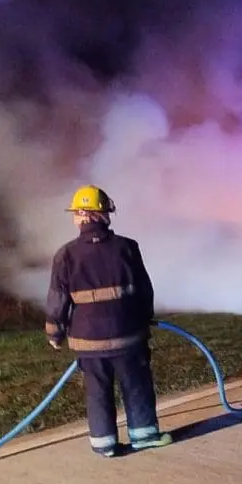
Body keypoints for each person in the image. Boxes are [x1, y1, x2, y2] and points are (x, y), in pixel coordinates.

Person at [45, 184, 172, 457]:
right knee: (136, 386)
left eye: (75, 213)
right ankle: (145, 436)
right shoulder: (127, 247)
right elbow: (144, 289)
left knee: (97, 393)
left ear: (82, 215)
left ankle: (105, 445)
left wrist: (54, 333)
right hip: (129, 335)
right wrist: (145, 317)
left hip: (89, 342)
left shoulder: (65, 255)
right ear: (104, 214)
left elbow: (58, 299)